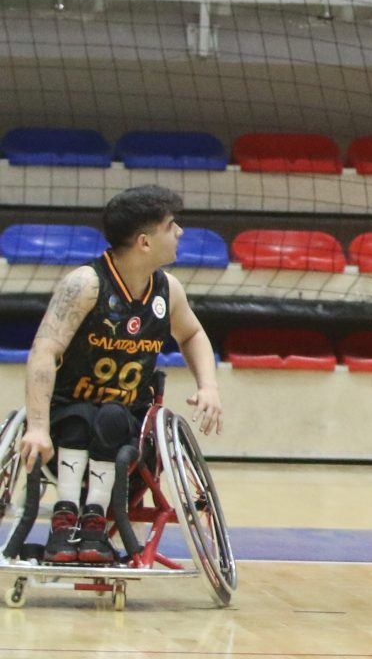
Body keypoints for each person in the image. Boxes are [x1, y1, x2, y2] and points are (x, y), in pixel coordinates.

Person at [16, 185, 223, 566]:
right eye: (171, 225)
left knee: (110, 417)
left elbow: (192, 334)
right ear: (145, 242)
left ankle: (94, 524)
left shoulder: (168, 291)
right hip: (66, 419)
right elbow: (44, 351)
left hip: (127, 425)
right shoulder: (85, 284)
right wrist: (38, 426)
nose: (179, 232)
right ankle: (64, 520)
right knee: (81, 417)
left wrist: (208, 386)